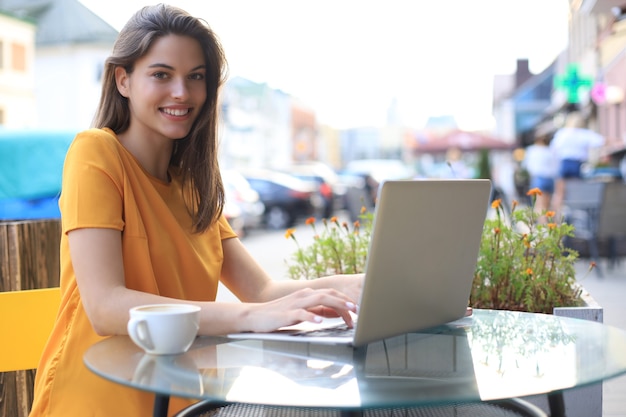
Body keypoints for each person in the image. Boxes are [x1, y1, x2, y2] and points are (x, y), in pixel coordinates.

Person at [29, 5, 362, 416]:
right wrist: (251, 317)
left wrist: (356, 286)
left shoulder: (192, 186)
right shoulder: (95, 153)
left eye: (196, 77)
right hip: (96, 400)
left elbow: (261, 292)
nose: (182, 93)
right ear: (123, 80)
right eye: (161, 74)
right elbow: (105, 308)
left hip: (182, 401)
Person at [550, 111, 605, 215]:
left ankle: (555, 220)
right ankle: (577, 216)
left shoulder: (562, 133)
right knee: (577, 194)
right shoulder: (584, 133)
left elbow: (553, 149)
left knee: (559, 194)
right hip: (577, 165)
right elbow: (601, 141)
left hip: (564, 164)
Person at [522, 134, 559, 216]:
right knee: (547, 205)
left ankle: (543, 225)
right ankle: (549, 224)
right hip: (550, 179)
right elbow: (556, 167)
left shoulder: (532, 150)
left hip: (538, 178)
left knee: (539, 205)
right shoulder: (550, 151)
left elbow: (526, 166)